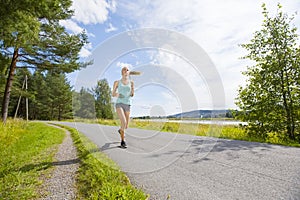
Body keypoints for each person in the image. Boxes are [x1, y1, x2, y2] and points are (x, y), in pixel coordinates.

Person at [112, 66, 134, 148]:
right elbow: (113, 94)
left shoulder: (131, 82)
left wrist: (132, 90)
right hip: (119, 104)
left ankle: (121, 130)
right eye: (124, 69)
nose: (126, 70)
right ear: (122, 72)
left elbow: (132, 94)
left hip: (127, 104)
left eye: (127, 70)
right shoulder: (117, 82)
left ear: (128, 73)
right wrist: (116, 94)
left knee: (126, 126)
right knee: (123, 122)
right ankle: (122, 141)